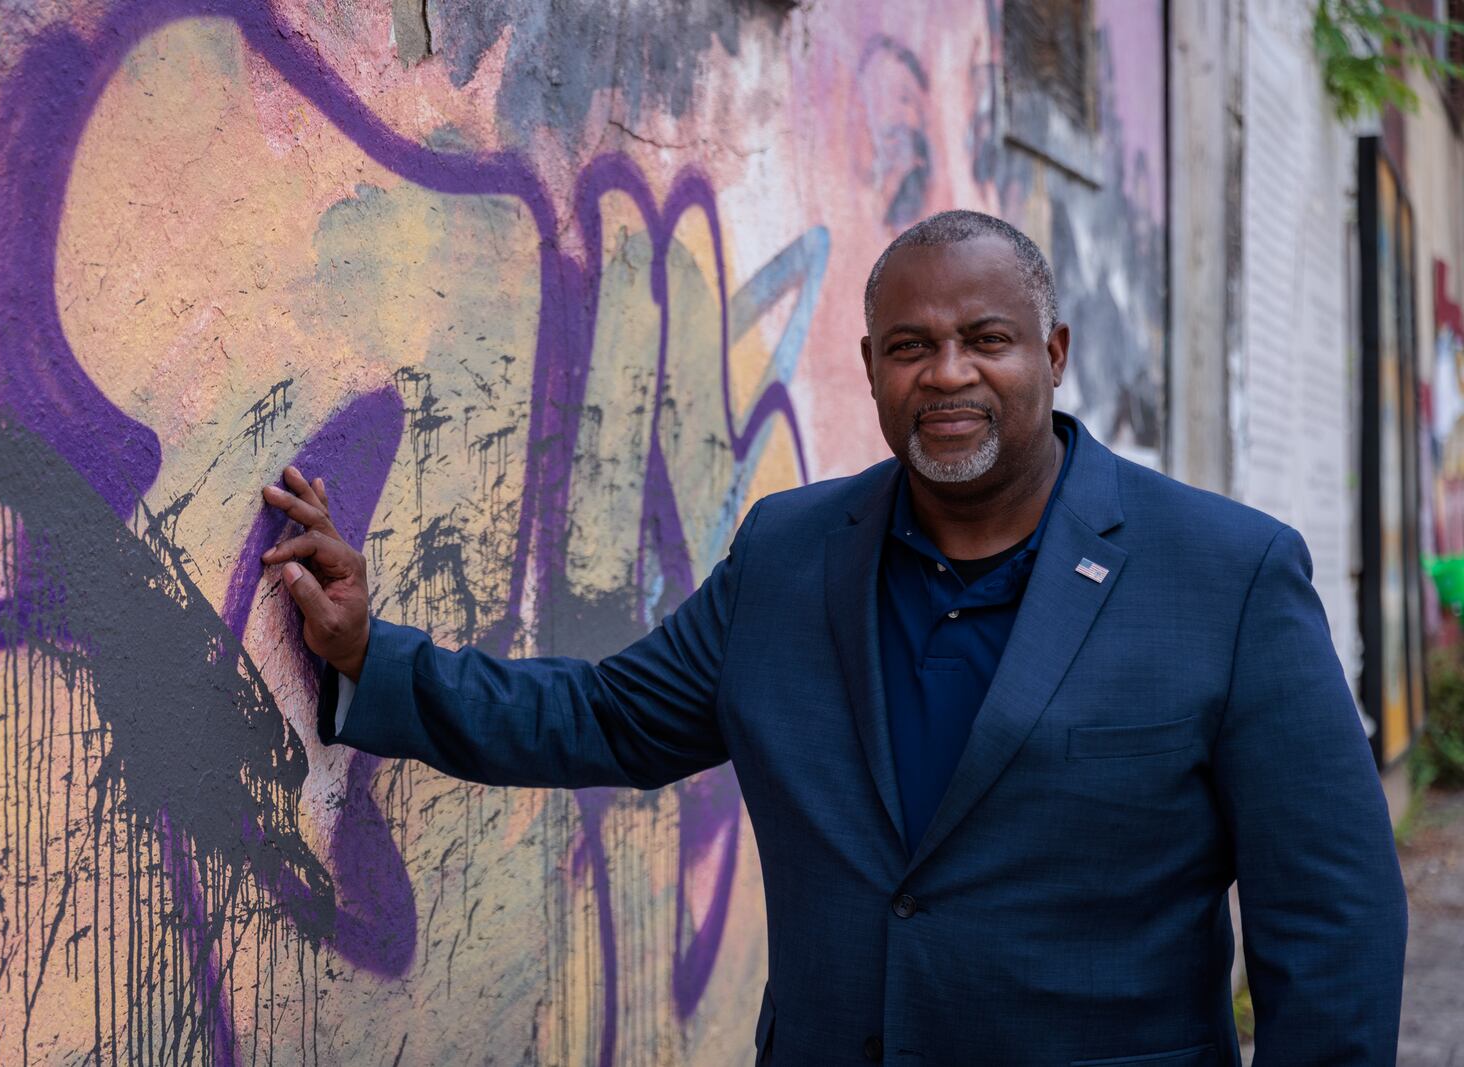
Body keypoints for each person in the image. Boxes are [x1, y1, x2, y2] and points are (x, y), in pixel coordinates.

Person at [260, 210, 1407, 1065]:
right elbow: (608, 717)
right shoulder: (790, 553)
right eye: (909, 345)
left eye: (986, 338)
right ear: (869, 369)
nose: (946, 373)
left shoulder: (1227, 572)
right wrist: (370, 651)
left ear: (1052, 354)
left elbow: (1333, 914)